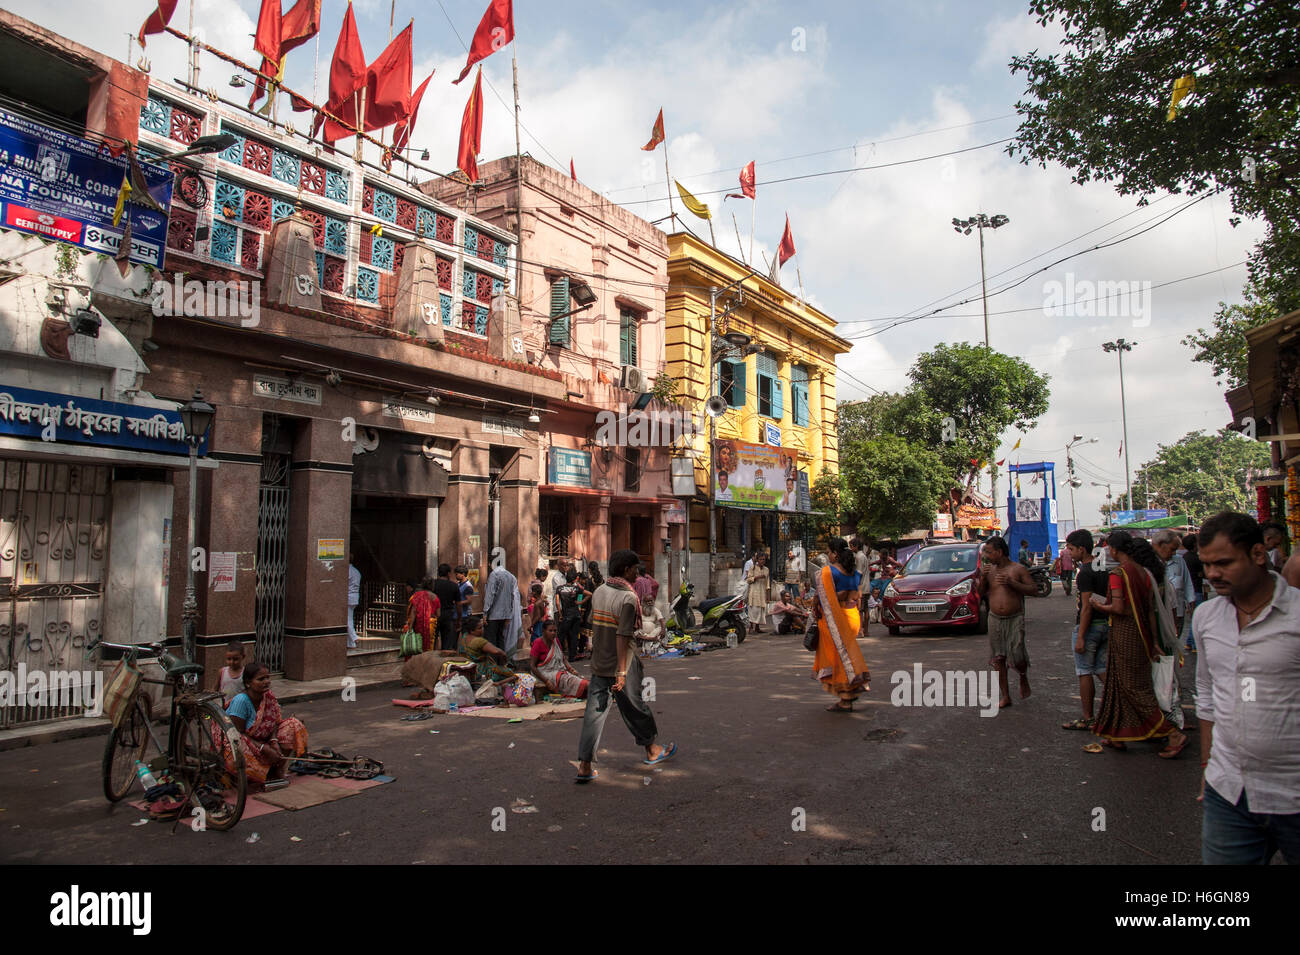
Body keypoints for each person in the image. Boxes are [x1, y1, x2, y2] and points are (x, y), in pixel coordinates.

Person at [1193, 511, 1300, 864]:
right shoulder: (1207, 617)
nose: (1212, 574)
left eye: (1223, 563)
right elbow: (1206, 695)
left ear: (1258, 554)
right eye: (1206, 564)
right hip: (1229, 792)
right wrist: (1209, 768)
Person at [575, 548, 676, 783]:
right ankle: (652, 749)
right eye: (633, 568)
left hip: (599, 661)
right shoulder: (628, 598)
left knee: (594, 713)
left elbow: (593, 625)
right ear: (625, 569)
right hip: (623, 662)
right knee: (635, 706)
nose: (637, 573)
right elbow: (623, 636)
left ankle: (585, 764)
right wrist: (621, 672)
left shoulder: (600, 591)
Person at [1086, 530, 1188, 757]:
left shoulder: (1119, 574)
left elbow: (1119, 609)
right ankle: (1116, 734)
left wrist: (1098, 606)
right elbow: (1150, 612)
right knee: (1120, 683)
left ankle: (1172, 734)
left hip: (1125, 633)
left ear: (1113, 549)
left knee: (1132, 687)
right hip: (1142, 634)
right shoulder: (1143, 572)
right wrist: (1152, 641)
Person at [223, 661, 308, 786]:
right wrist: (263, 748)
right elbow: (237, 733)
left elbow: (274, 723)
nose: (266, 681)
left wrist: (273, 742)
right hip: (244, 741)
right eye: (261, 679)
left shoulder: (268, 697)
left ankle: (276, 768)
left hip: (263, 741)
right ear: (248, 683)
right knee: (238, 744)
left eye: (268, 677)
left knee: (293, 724)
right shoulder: (241, 701)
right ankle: (256, 774)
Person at [811, 537, 869, 712]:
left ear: (835, 554)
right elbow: (855, 596)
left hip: (837, 618)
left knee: (839, 659)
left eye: (829, 552)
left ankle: (846, 697)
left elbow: (824, 598)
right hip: (852, 616)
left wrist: (815, 604)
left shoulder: (828, 573)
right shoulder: (854, 573)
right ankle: (849, 692)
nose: (828, 555)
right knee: (846, 655)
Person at [977, 536, 1036, 708]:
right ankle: (1005, 695)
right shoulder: (989, 571)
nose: (986, 555)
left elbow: (1033, 590)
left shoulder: (1017, 569)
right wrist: (982, 577)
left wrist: (1012, 583)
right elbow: (980, 593)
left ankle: (1023, 677)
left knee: (1017, 655)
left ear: (999, 552)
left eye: (989, 552)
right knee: (998, 658)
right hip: (994, 618)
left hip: (1014, 618)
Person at [1061, 530, 1107, 731]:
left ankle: (1088, 717)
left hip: (1090, 627)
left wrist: (1081, 636)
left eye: (1071, 549)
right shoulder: (1103, 569)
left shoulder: (1086, 573)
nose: (1069, 553)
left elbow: (1087, 606)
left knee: (1084, 671)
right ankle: (1117, 708)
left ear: (1082, 549)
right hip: (1106, 624)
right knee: (1102, 669)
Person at [1153, 529, 1197, 639]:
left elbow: (1187, 583)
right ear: (1160, 545)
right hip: (1160, 614)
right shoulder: (1150, 564)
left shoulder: (1179, 561)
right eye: (1172, 549)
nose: (1173, 553)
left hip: (1178, 612)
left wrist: (1191, 602)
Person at [530, 619, 588, 699]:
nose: (553, 633)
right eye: (550, 631)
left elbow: (563, 658)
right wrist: (546, 681)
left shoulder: (556, 641)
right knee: (574, 682)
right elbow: (532, 666)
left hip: (559, 672)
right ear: (543, 631)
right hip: (544, 673)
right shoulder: (538, 643)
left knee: (579, 679)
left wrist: (572, 670)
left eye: (555, 631)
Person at [459, 613, 519, 687]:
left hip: (468, 669)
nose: (482, 630)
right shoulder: (478, 641)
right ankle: (497, 684)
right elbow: (497, 651)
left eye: (482, 627)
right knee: (512, 674)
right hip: (481, 671)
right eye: (479, 628)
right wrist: (504, 659)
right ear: (472, 631)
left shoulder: (464, 636)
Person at [483, 561, 523, 655]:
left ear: (490, 564)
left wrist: (485, 613)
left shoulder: (494, 575)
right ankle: (501, 662)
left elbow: (490, 595)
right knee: (500, 638)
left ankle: (493, 663)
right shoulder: (511, 576)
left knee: (491, 640)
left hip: (493, 614)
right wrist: (508, 615)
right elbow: (512, 597)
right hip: (505, 615)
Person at [554, 568, 588, 662]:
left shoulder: (559, 588)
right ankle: (572, 656)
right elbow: (589, 594)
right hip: (576, 615)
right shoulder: (576, 588)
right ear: (575, 579)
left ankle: (559, 656)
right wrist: (580, 602)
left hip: (566, 615)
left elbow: (557, 603)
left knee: (561, 635)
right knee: (574, 636)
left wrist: (560, 614)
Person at [1181, 534, 1207, 652]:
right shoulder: (1195, 559)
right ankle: (1195, 644)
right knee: (1197, 617)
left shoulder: (1185, 557)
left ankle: (1190, 642)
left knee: (1194, 616)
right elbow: (1203, 574)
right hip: (1196, 590)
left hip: (1188, 591)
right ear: (1194, 545)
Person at [404, 577, 440, 657]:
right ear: (432, 586)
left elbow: (413, 612)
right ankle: (427, 661)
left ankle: (418, 661)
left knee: (418, 645)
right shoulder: (435, 597)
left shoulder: (416, 596)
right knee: (429, 646)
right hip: (430, 625)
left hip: (418, 624)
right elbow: (438, 614)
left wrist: (410, 627)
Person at [432, 563, 462, 652]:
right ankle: (445, 663)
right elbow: (458, 604)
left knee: (433, 641)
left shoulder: (433, 584)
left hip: (434, 616)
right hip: (448, 616)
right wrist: (459, 619)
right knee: (447, 643)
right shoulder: (454, 586)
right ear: (448, 573)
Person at [745, 552, 770, 634]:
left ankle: (757, 628)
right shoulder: (752, 568)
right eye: (761, 559)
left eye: (764, 559)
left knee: (760, 610)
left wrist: (768, 596)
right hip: (754, 592)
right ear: (757, 560)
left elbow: (768, 583)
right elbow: (748, 580)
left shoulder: (766, 569)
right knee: (753, 610)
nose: (762, 561)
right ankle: (751, 628)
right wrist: (757, 577)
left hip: (762, 592)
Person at [852, 538, 872, 614]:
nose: (851, 549)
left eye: (852, 546)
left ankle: (861, 626)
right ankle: (865, 626)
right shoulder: (863, 556)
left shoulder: (859, 557)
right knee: (866, 609)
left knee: (860, 610)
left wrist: (856, 587)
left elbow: (859, 573)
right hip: (866, 586)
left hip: (862, 587)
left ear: (856, 546)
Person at [347, 557, 361, 649]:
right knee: (350, 618)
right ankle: (351, 643)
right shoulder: (356, 571)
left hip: (348, 597)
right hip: (355, 596)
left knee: (347, 620)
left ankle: (354, 637)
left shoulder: (347, 571)